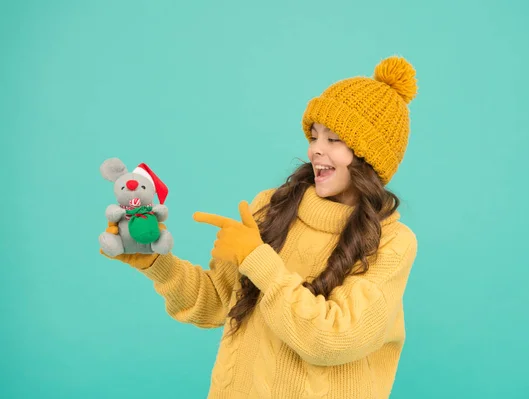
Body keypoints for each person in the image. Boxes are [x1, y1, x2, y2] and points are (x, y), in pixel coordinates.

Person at [101, 55, 419, 399]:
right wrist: (156, 264)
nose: (315, 150)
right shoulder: (272, 207)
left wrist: (257, 257)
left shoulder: (392, 242)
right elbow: (217, 301)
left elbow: (332, 338)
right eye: (314, 137)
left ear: (369, 157)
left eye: (333, 140)